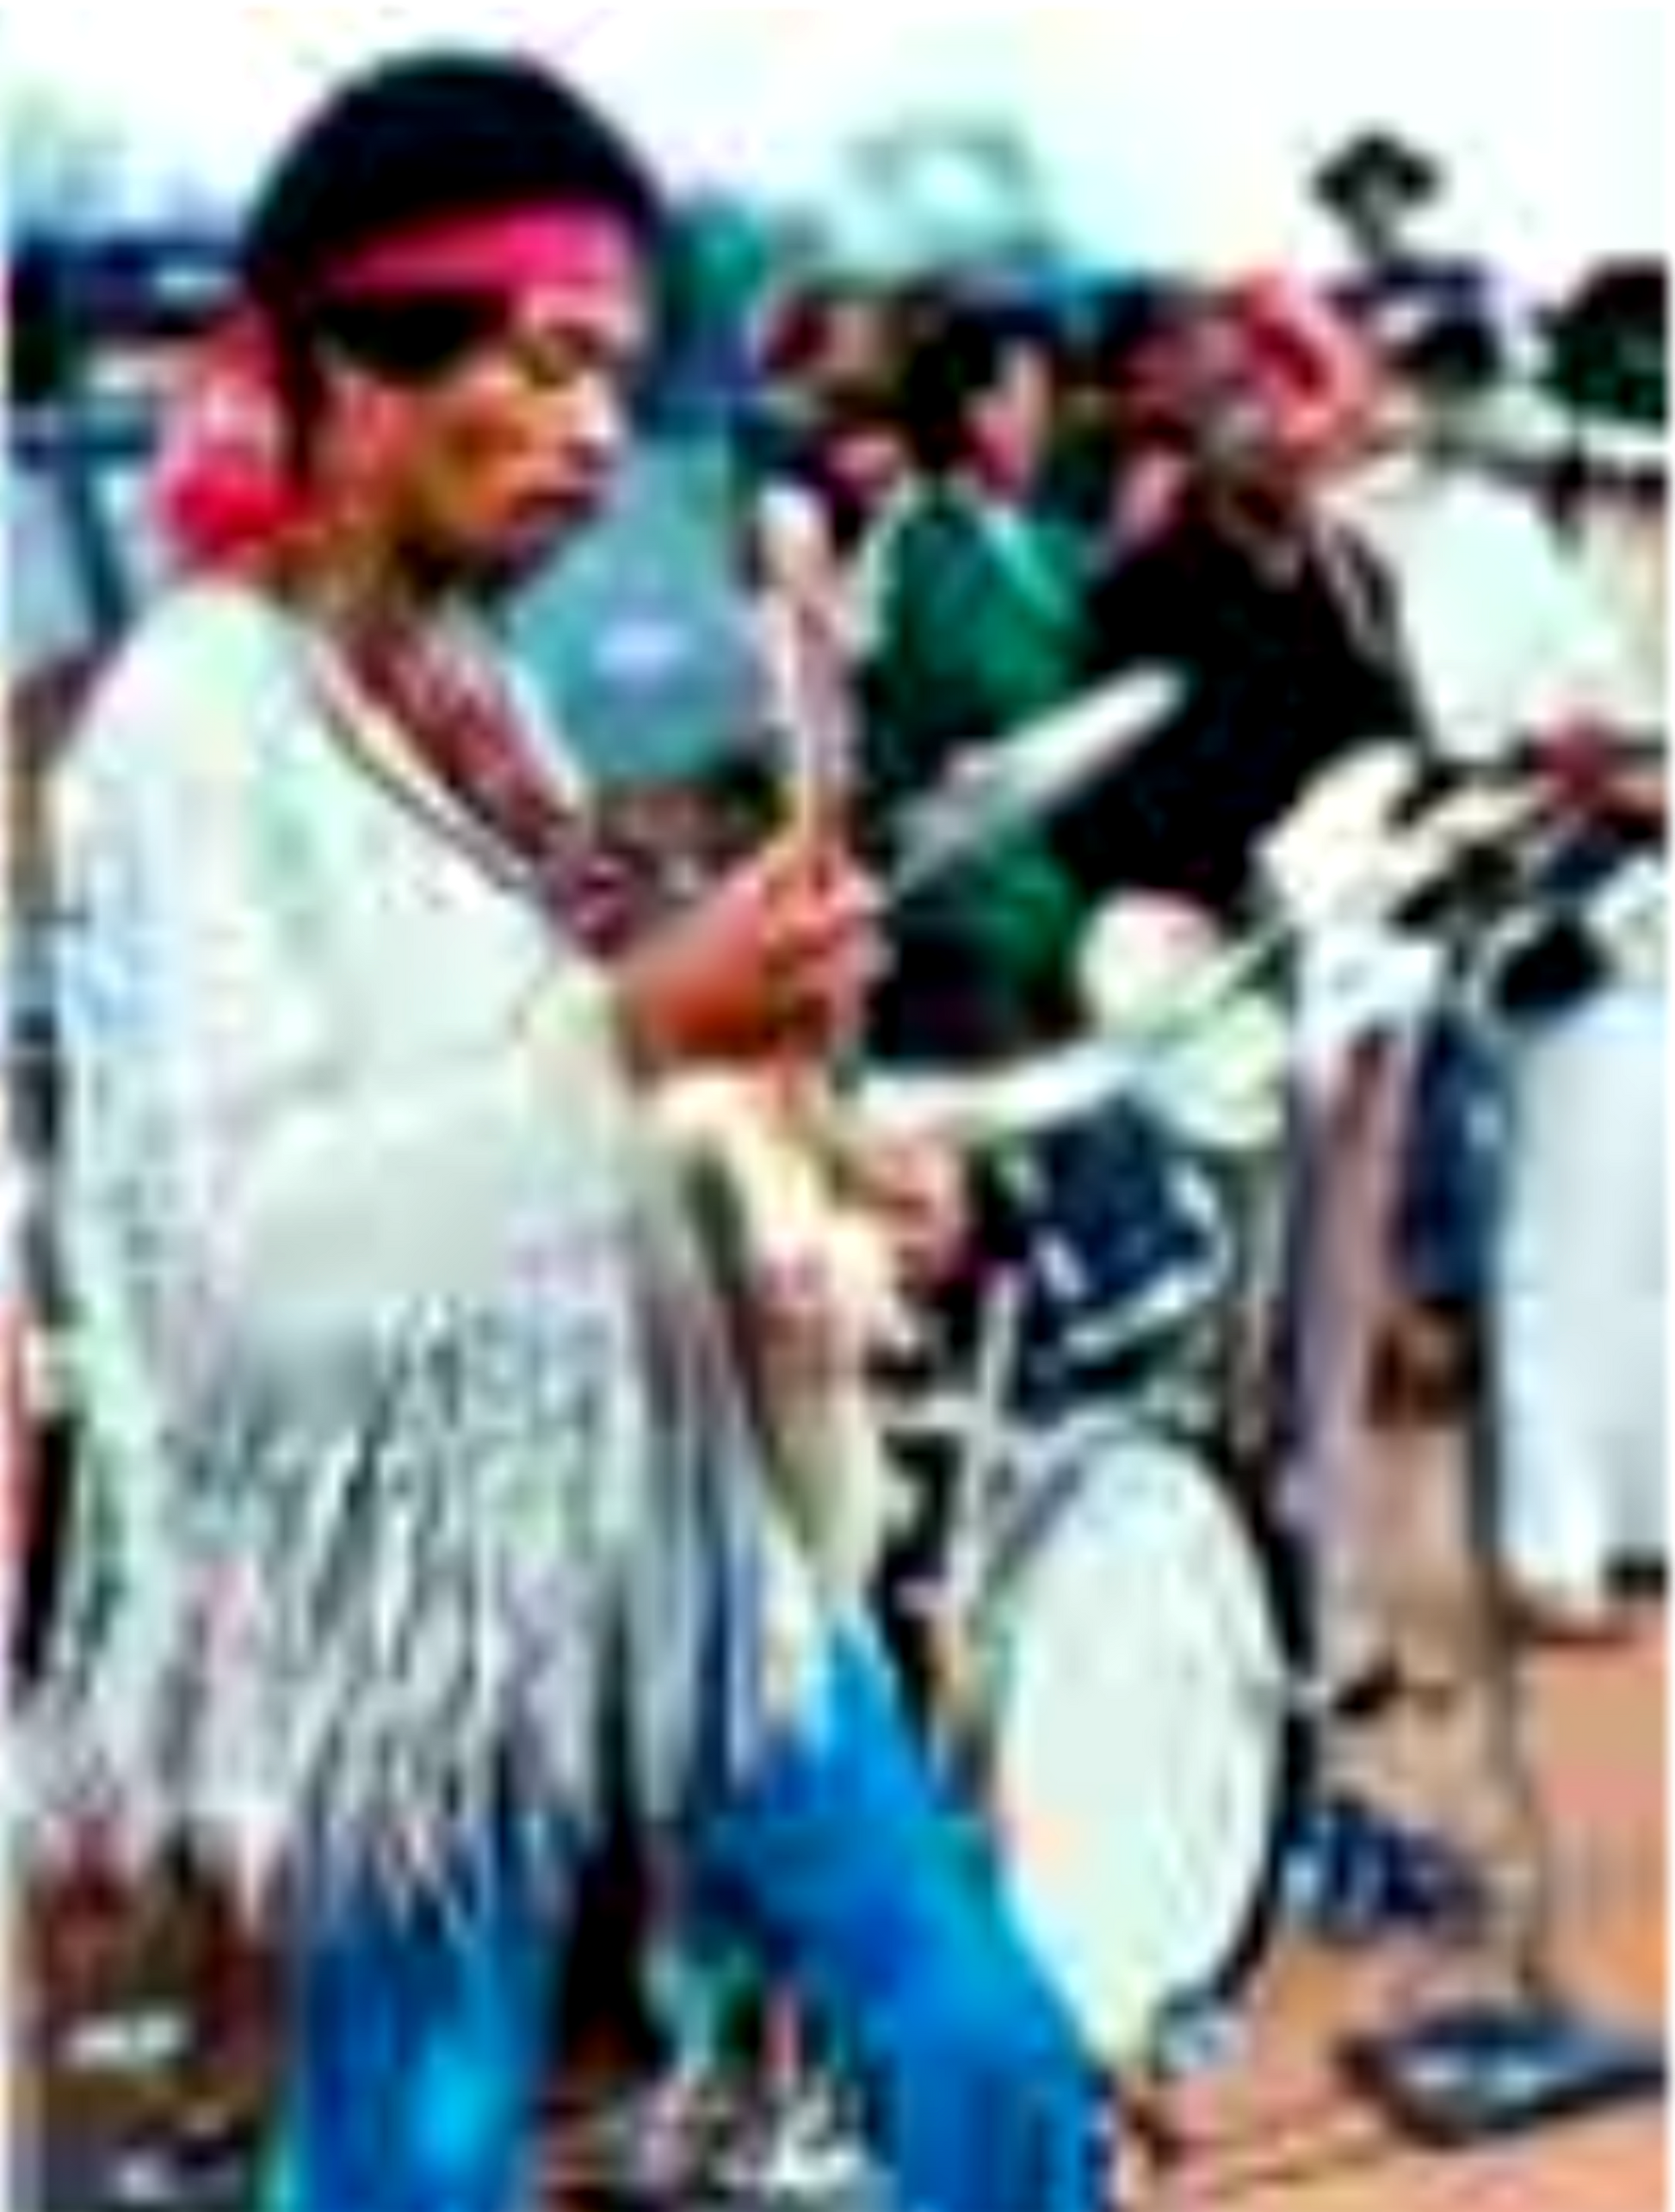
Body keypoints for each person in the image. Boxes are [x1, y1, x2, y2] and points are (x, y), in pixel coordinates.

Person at [27, 51, 1103, 2212]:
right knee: (415, 2150)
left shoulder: (477, 693)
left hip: (656, 1496)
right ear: (348, 376)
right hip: (409, 1580)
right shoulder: (190, 729)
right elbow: (246, 1261)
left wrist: (804, 1144)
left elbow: (568, 1056)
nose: (600, 430)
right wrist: (631, 1032)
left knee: (984, 2052)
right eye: (539, 361)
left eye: (614, 371)